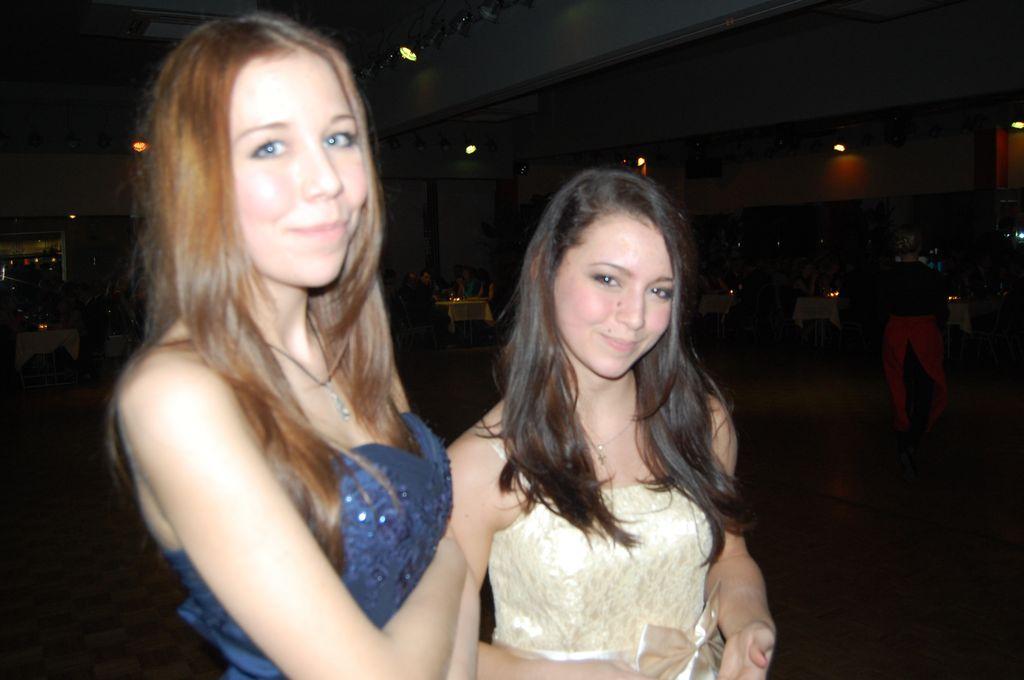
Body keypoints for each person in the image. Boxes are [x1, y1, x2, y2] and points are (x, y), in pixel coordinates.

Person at [107, 14, 476, 679]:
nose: (326, 179)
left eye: (338, 138)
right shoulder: (177, 396)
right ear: (197, 179)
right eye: (270, 147)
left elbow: (421, 627)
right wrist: (451, 564)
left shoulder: (353, 346)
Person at [449, 168, 774, 680]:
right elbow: (437, 654)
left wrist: (749, 620)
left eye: (660, 291)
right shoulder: (480, 466)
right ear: (544, 271)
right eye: (607, 279)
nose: (635, 316)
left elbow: (729, 557)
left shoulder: (700, 425)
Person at [879, 227, 948, 481]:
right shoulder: (932, 276)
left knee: (900, 391)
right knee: (924, 393)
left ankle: (904, 444)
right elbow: (942, 312)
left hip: (897, 337)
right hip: (924, 337)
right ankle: (911, 443)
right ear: (918, 246)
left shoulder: (887, 277)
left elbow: (881, 309)